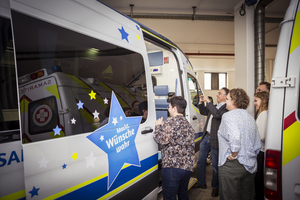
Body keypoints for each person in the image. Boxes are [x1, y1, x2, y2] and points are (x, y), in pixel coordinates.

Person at [218, 88, 261, 200]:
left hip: (232, 166)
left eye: (227, 99)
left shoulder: (228, 116)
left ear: (234, 101)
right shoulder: (250, 118)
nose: (225, 102)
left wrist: (233, 155)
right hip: (250, 166)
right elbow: (257, 144)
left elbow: (235, 138)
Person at [153, 96, 195, 200]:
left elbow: (161, 139)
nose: (168, 109)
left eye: (169, 106)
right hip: (188, 167)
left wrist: (158, 126)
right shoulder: (187, 123)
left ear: (174, 108)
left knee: (170, 197)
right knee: (183, 194)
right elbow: (176, 137)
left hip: (173, 168)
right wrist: (164, 127)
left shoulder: (170, 121)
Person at [193, 87, 229, 198]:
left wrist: (209, 102)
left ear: (225, 96)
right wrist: (201, 102)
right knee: (200, 161)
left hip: (216, 139)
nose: (217, 95)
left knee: (215, 166)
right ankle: (201, 182)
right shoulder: (214, 106)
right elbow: (204, 111)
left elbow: (217, 115)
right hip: (206, 137)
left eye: (220, 93)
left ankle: (215, 187)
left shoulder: (226, 108)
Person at [254, 91, 269, 200]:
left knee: (259, 181)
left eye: (256, 101)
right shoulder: (262, 113)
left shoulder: (264, 114)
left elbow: (262, 136)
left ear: (263, 101)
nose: (254, 103)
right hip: (260, 151)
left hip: (261, 152)